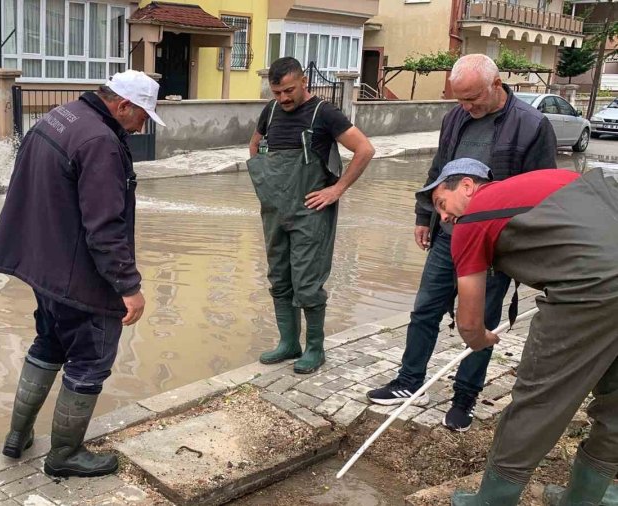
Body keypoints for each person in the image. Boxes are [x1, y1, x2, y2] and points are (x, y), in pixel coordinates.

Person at [0, 70, 163, 478]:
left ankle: (17, 436)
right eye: (142, 116)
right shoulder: (100, 141)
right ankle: (64, 455)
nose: (142, 126)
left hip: (44, 267)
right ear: (123, 106)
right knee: (89, 363)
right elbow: (105, 225)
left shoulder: (58, 116)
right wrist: (128, 287)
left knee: (48, 344)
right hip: (80, 277)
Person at [367, 54, 558, 432]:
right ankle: (409, 381)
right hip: (448, 236)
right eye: (460, 99)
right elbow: (438, 170)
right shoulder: (455, 118)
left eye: (473, 99)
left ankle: (464, 398)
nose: (466, 107)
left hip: (494, 244)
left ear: (496, 85)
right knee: (424, 309)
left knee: (481, 322)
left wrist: (524, 247)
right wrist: (425, 216)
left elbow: (540, 192)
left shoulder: (532, 125)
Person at [418, 158, 617, 505]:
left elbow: (468, 321)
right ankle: (585, 498)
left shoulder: (472, 220)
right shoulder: (550, 179)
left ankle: (492, 500)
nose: (445, 218)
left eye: (441, 204)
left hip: (595, 288)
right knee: (616, 401)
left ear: (466, 186)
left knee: (539, 400)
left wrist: (481, 339)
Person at [247, 57, 375, 375]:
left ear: (304, 82)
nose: (283, 98)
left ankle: (315, 348)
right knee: (278, 278)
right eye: (277, 92)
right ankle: (288, 343)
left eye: (288, 90)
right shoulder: (271, 111)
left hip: (310, 211)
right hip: (275, 211)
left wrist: (337, 190)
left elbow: (365, 149)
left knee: (306, 282)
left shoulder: (324, 113)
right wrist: (267, 184)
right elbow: (254, 145)